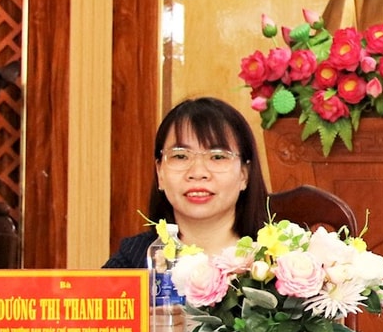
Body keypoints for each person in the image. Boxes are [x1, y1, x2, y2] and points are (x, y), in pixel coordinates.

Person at [104, 97, 271, 268]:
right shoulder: (132, 260)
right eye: (180, 156)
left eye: (217, 156)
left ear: (244, 174)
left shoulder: (276, 261)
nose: (198, 173)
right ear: (160, 172)